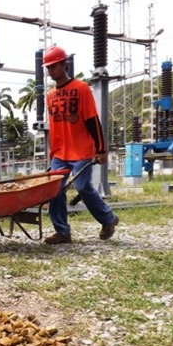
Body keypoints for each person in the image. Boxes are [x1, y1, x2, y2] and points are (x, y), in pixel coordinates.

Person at [41, 45, 119, 244]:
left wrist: (101, 149)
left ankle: (108, 219)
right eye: (48, 67)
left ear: (64, 64)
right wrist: (52, 152)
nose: (50, 71)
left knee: (83, 186)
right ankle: (62, 232)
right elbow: (54, 126)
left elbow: (92, 119)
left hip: (81, 149)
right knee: (55, 189)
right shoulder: (50, 96)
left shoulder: (81, 88)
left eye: (53, 66)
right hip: (60, 152)